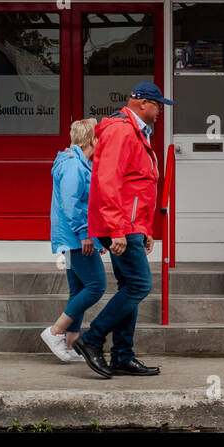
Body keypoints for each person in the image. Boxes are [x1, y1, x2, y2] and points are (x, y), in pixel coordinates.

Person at [71, 81, 171, 378]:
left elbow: (136, 186)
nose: (161, 112)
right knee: (140, 285)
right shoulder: (121, 129)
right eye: (158, 106)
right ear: (143, 104)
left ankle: (122, 356)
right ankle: (91, 340)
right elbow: (108, 181)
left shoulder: (135, 131)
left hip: (129, 225)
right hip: (119, 225)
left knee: (130, 286)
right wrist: (118, 229)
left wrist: (144, 228)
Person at [41, 118, 106, 363]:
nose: (102, 142)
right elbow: (71, 205)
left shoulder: (78, 163)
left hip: (75, 238)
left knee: (78, 289)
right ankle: (55, 331)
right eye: (100, 137)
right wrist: (86, 234)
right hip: (75, 239)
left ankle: (69, 344)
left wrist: (94, 237)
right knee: (96, 286)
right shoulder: (74, 166)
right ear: (92, 139)